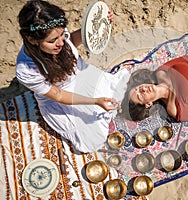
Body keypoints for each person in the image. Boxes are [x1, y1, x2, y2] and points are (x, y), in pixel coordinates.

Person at [16, 0, 129, 153]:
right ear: (32, 40)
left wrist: (99, 24)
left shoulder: (56, 32)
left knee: (124, 89)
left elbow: (73, 40)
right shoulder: (26, 70)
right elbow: (59, 95)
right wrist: (94, 101)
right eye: (52, 41)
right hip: (65, 98)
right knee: (92, 139)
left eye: (62, 35)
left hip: (82, 74)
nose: (60, 43)